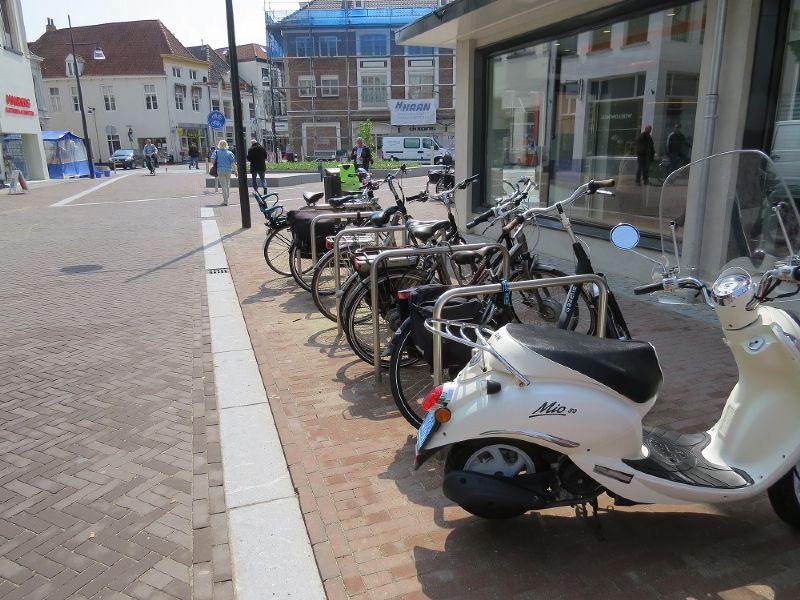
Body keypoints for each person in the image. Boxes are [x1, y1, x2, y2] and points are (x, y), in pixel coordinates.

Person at [214, 140, 237, 206]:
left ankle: (225, 201)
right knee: (227, 184)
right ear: (226, 145)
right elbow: (233, 163)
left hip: (220, 170)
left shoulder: (216, 152)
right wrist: (235, 171)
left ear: (219, 145)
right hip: (228, 171)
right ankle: (227, 197)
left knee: (223, 186)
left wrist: (217, 162)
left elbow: (212, 160)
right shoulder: (230, 153)